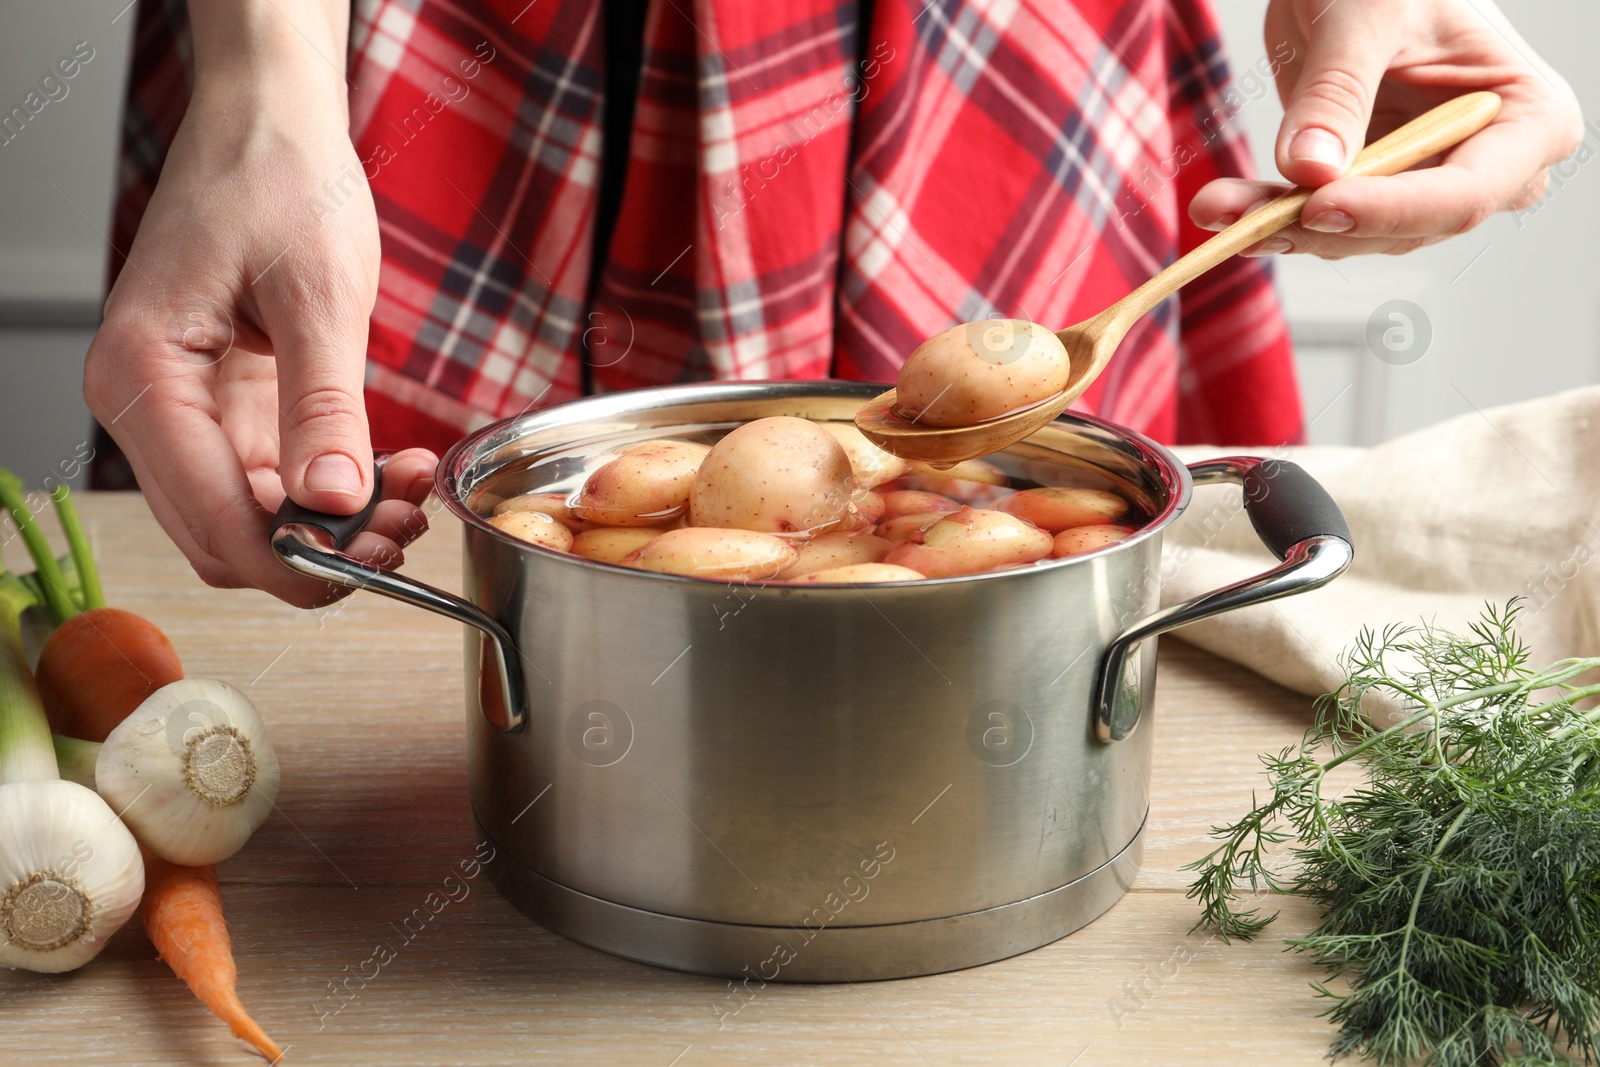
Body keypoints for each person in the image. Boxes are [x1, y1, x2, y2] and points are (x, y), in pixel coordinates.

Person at [84, 0, 1581, 608]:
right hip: (437, 48)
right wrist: (265, 97)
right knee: (342, 559)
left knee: (1024, 580)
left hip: (983, 47)